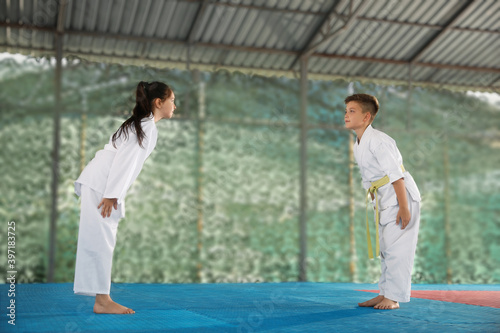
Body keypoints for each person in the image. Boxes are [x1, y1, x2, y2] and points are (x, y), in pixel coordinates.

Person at [73, 81, 176, 314]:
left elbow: (124, 162)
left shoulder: (141, 124)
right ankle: (102, 300)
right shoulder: (146, 127)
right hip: (103, 184)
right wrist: (111, 195)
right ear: (159, 102)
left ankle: (101, 298)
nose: (175, 106)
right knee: (102, 239)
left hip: (99, 181)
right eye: (172, 100)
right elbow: (124, 162)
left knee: (99, 238)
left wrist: (113, 193)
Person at [344, 93, 421, 310]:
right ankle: (384, 293)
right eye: (346, 111)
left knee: (399, 250)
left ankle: (394, 298)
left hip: (401, 198)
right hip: (385, 200)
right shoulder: (359, 143)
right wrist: (373, 198)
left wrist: (404, 208)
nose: (346, 115)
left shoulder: (379, 141)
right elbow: (369, 177)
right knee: (387, 249)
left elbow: (396, 176)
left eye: (352, 111)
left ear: (367, 116)